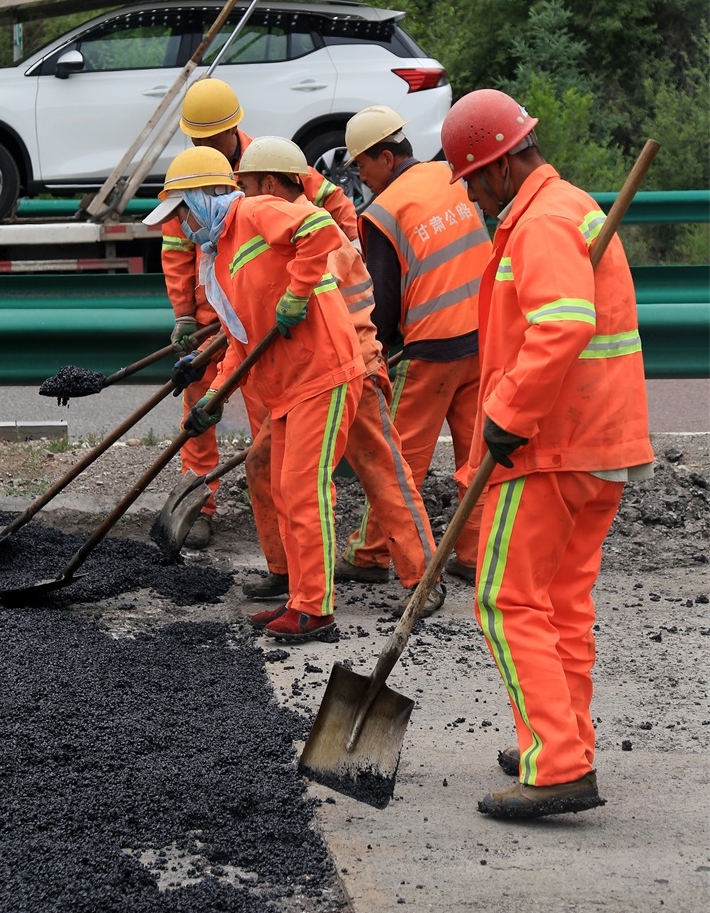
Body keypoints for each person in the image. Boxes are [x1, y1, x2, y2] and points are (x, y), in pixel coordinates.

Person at [441, 89, 653, 820]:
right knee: (561, 604)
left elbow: (562, 326)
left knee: (507, 598)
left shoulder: (539, 224)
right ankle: (562, 741)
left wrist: (505, 415)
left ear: (499, 167)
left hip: (551, 447)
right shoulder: (567, 208)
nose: (469, 195)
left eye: (470, 179)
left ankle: (556, 764)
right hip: (599, 444)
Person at [234, 137, 443, 619]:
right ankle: (287, 572)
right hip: (309, 382)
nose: (243, 197)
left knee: (381, 472)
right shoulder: (276, 231)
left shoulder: (311, 232)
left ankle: (422, 578)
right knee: (264, 465)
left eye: (246, 186)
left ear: (269, 183)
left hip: (354, 371)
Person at [158, 77, 357, 548]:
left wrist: (322, 278)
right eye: (197, 139)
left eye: (212, 138)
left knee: (271, 436)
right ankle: (201, 502)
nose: (205, 145)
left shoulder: (267, 166)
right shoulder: (190, 179)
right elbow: (175, 248)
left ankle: (293, 537)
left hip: (272, 320)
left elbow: (330, 213)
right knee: (200, 403)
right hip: (220, 318)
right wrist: (184, 314)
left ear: (234, 131)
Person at [184, 140, 365, 643]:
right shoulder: (219, 257)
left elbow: (320, 228)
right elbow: (243, 344)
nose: (179, 223)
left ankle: (316, 610)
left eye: (182, 208)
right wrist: (211, 398)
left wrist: (297, 292)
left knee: (306, 492)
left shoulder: (255, 209)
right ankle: (299, 600)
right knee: (288, 492)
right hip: (287, 385)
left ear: (206, 196)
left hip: (323, 373)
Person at [345, 105, 492, 583]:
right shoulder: (449, 175)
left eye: (361, 165)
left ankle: (370, 554)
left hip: (430, 350)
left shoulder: (382, 213)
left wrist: (378, 348)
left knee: (398, 462)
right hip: (485, 334)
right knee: (475, 458)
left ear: (386, 158)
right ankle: (472, 556)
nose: (361, 177)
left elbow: (382, 301)